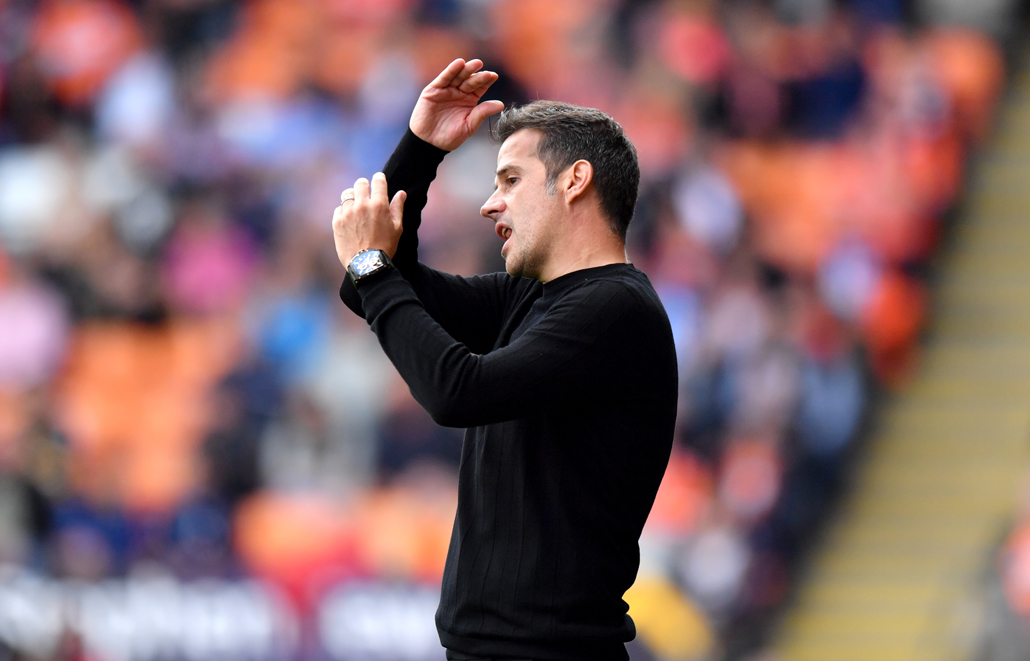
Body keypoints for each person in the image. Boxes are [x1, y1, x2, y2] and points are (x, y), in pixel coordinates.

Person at [331, 58, 678, 661]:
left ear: (574, 181)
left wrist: (370, 266)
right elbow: (371, 286)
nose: (490, 204)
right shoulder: (528, 298)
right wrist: (420, 149)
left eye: (511, 180)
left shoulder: (616, 309)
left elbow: (456, 391)